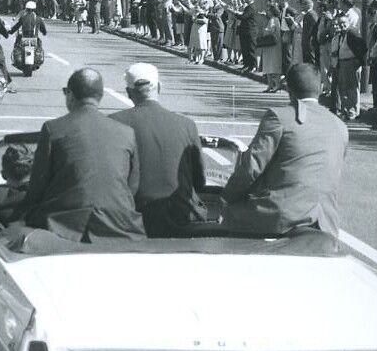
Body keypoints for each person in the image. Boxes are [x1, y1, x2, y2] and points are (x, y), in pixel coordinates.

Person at [222, 63, 348, 238]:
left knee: (227, 215)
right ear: (319, 88)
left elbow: (251, 167)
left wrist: (226, 197)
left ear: (288, 89)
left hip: (281, 216)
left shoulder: (279, 117)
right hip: (326, 222)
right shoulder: (340, 126)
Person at [19, 67, 144, 242]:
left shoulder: (53, 129)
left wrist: (23, 216)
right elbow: (132, 187)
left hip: (64, 227)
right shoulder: (126, 132)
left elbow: (38, 186)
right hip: (119, 227)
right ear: (100, 96)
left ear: (70, 94)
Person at [109, 64, 207, 236]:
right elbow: (199, 181)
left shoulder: (114, 122)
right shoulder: (186, 125)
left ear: (129, 92)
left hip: (134, 220)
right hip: (179, 218)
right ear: (159, 87)